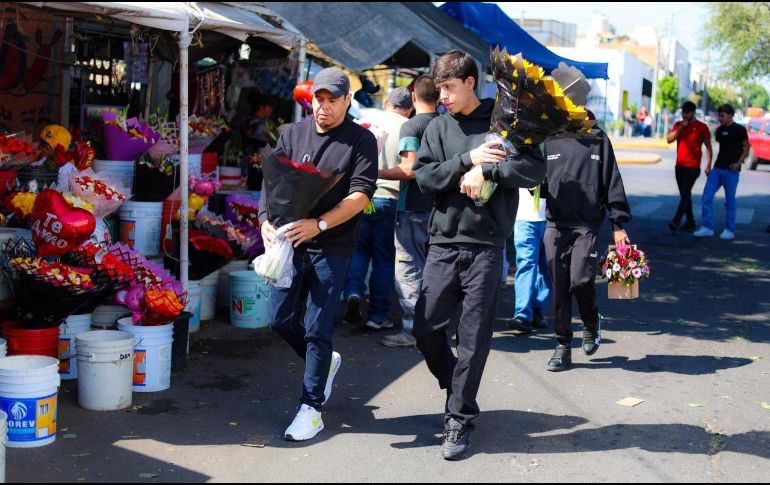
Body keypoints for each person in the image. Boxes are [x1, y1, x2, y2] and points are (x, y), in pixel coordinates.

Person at [411, 50, 546, 460]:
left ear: (471, 82)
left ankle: (458, 419)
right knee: (426, 328)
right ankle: (456, 382)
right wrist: (467, 160)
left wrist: (488, 171)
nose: (444, 97)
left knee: (472, 339)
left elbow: (534, 170)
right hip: (443, 245)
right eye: (439, 90)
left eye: (449, 88)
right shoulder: (437, 127)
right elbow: (424, 178)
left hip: (487, 247)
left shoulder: (503, 123)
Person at [258, 67, 378, 442]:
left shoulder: (360, 141)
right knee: (279, 319)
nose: (323, 107)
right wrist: (264, 219)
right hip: (288, 243)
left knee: (318, 327)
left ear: (347, 101)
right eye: (319, 99)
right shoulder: (292, 133)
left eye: (332, 100)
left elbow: (360, 196)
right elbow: (272, 182)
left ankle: (311, 408)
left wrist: (320, 224)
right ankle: (325, 364)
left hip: (332, 245)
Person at [542, 111, 632, 372]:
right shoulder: (549, 138)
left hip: (587, 224)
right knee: (559, 286)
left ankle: (591, 323)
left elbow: (612, 180)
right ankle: (562, 346)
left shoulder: (598, 138)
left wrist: (618, 224)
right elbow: (539, 178)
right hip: (556, 223)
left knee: (580, 279)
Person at [342, 87, 413, 330]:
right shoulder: (408, 126)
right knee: (383, 258)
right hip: (390, 198)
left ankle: (352, 291)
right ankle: (377, 315)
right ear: (409, 108)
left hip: (360, 196)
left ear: (386, 103)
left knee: (359, 250)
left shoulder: (366, 120)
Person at [376, 76, 439, 348]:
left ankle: (413, 330)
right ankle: (436, 326)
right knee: (435, 270)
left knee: (410, 270)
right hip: (439, 209)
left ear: (413, 98)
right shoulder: (446, 123)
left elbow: (409, 169)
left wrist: (374, 173)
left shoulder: (411, 125)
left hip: (411, 207)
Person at [693, 104, 749, 240]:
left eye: (722, 116)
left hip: (731, 171)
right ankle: (707, 227)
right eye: (719, 116)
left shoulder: (739, 130)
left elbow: (746, 147)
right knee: (706, 197)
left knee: (730, 201)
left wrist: (738, 163)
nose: (721, 118)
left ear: (730, 115)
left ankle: (729, 229)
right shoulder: (719, 130)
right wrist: (708, 165)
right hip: (717, 169)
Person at [506, 186, 551, 333]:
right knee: (527, 263)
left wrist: (617, 225)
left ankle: (535, 308)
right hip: (525, 218)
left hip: (555, 220)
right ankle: (524, 314)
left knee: (551, 268)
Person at [666, 101, 713, 232]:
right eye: (683, 112)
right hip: (679, 166)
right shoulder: (678, 125)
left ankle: (676, 221)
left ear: (693, 112)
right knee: (685, 195)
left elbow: (708, 147)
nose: (685, 115)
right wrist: (681, 128)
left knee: (685, 194)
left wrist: (708, 164)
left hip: (693, 167)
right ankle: (691, 221)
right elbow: (669, 139)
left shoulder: (701, 127)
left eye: (687, 112)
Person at [241, 95, 277, 189]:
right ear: (262, 107)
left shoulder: (261, 122)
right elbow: (270, 138)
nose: (271, 110)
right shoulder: (255, 123)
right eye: (269, 107)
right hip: (252, 164)